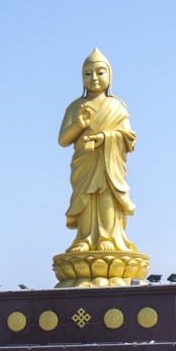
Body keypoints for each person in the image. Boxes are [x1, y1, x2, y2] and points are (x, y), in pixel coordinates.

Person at [59, 48, 138, 253]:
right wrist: (79, 125)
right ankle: (84, 238)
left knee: (105, 196)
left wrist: (105, 137)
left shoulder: (117, 106)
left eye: (100, 72)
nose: (93, 78)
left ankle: (107, 238)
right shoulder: (75, 106)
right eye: (88, 73)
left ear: (109, 76)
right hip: (84, 163)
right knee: (85, 197)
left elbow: (129, 138)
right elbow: (63, 140)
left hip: (108, 165)